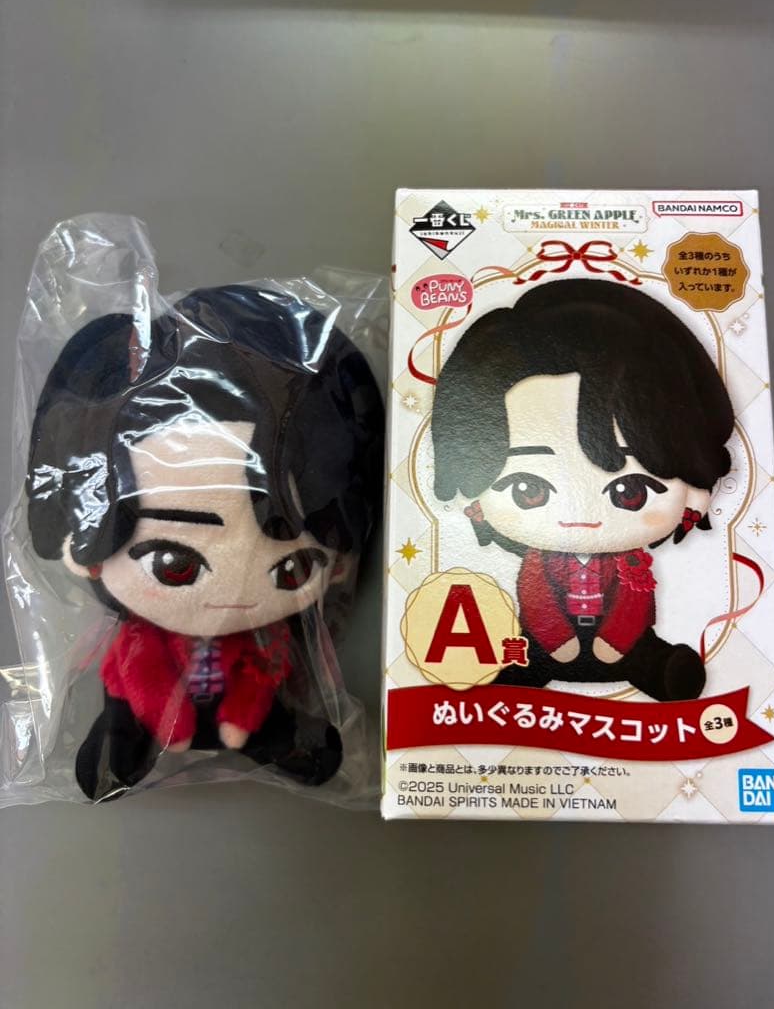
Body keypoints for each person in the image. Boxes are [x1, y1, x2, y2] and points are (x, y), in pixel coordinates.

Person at [27, 284, 383, 799]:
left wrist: (242, 718)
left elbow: (261, 676)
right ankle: (127, 745)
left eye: (292, 569)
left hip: (241, 704)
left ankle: (264, 737)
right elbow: (141, 673)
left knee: (269, 704)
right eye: (175, 563)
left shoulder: (266, 640)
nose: (229, 597)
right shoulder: (142, 639)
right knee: (126, 707)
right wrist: (167, 722)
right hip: (156, 709)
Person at [431, 278, 733, 701]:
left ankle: (660, 671)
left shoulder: (632, 564)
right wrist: (557, 640)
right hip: (550, 642)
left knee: (646, 654)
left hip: (624, 644)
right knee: (527, 657)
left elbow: (633, 602)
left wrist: (615, 642)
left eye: (630, 492)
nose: (582, 517)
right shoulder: (540, 563)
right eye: (528, 490)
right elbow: (536, 598)